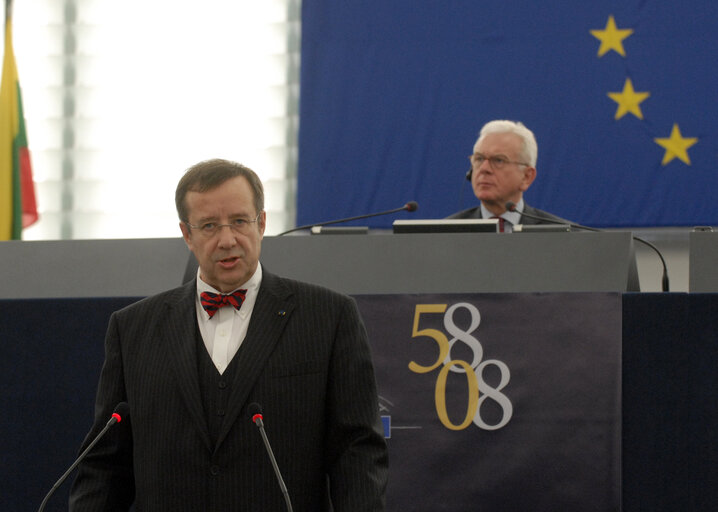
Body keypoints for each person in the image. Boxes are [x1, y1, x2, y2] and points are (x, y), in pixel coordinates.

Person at [69, 159, 389, 511]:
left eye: (239, 221)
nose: (227, 240)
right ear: (187, 234)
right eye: (208, 226)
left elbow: (356, 451)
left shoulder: (329, 317)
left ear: (262, 223)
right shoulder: (132, 329)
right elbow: (105, 465)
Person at [448, 119, 568, 231]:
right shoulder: (445, 234)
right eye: (479, 159)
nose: (484, 169)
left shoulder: (562, 236)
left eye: (498, 160)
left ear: (526, 177)